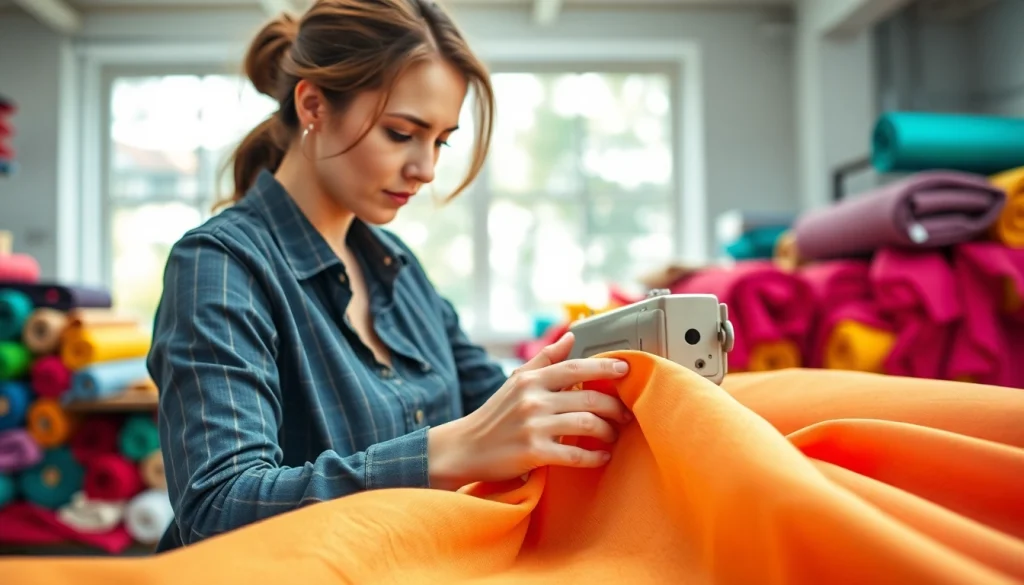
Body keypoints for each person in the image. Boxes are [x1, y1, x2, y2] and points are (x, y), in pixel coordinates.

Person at [147, 0, 634, 552]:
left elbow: (495, 403)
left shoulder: (398, 269)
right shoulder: (220, 266)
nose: (425, 169)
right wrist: (446, 453)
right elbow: (217, 507)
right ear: (313, 105)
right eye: (402, 133)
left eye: (441, 141)